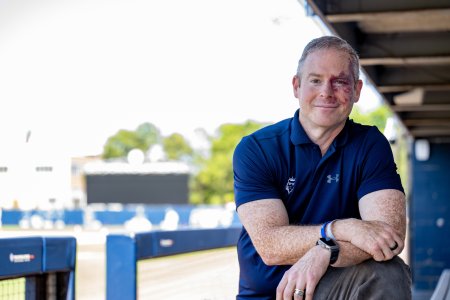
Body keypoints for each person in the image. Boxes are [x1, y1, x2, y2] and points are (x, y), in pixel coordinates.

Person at [232, 35, 411, 300]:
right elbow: (270, 246)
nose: (326, 91)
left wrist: (327, 249)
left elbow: (389, 237)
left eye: (340, 81)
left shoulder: (370, 144)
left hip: (335, 287)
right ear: (296, 86)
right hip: (271, 294)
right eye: (315, 80)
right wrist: (341, 229)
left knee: (388, 271)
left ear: (357, 90)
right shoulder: (257, 148)